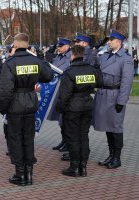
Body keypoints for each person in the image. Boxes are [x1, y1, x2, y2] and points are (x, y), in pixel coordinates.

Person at [0, 33, 53, 186]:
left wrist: (2, 108)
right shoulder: (35, 61)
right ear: (28, 45)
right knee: (28, 138)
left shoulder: (10, 63)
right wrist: (42, 60)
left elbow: (5, 89)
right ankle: (29, 175)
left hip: (14, 106)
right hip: (30, 104)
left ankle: (20, 174)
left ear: (14, 44)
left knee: (15, 139)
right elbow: (48, 76)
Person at [56, 45, 102, 177]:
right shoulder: (91, 69)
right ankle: (83, 167)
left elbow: (64, 94)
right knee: (83, 136)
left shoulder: (69, 71)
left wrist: (60, 108)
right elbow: (100, 82)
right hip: (87, 106)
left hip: (72, 108)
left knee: (73, 138)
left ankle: (74, 167)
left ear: (73, 55)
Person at [92, 29, 134, 169]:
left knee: (116, 127)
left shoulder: (126, 59)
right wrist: (94, 48)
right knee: (107, 128)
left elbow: (126, 82)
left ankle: (117, 158)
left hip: (114, 96)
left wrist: (121, 101)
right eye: (108, 40)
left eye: (111, 40)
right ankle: (111, 155)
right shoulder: (105, 55)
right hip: (103, 94)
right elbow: (91, 62)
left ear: (119, 42)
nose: (109, 42)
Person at [45, 38, 72, 153]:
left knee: (65, 119)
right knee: (60, 119)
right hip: (58, 89)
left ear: (66, 46)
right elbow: (51, 66)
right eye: (58, 47)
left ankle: (67, 142)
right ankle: (64, 141)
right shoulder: (60, 56)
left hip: (65, 89)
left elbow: (62, 70)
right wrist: (49, 54)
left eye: (60, 46)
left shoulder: (70, 56)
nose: (59, 48)